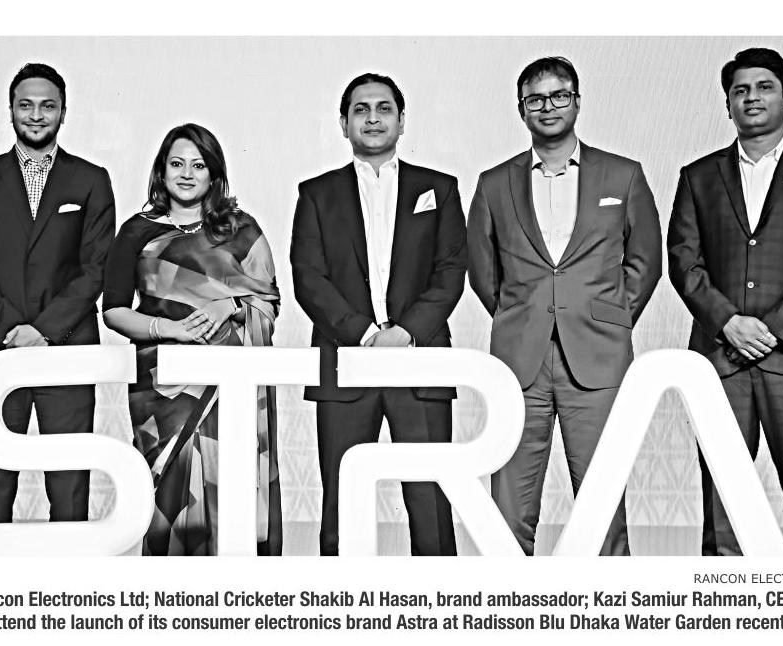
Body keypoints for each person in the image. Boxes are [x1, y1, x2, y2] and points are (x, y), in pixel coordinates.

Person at [467, 56, 662, 556]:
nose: (547, 107)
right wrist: (520, 315)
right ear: (521, 110)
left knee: (602, 505)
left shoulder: (623, 175)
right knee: (508, 511)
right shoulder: (493, 183)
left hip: (598, 358)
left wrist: (610, 319)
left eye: (559, 96)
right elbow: (483, 272)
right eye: (535, 99)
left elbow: (645, 263)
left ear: (577, 102)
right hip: (520, 361)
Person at [667, 48, 783, 556]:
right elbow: (683, 260)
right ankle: (724, 598)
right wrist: (728, 323)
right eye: (740, 90)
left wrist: (774, 328)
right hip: (721, 358)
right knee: (722, 500)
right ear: (727, 105)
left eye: (764, 87)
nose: (752, 98)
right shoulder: (699, 175)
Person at [290, 73, 466, 556]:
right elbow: (308, 277)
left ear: (402, 120)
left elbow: (451, 272)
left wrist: (405, 333)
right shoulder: (317, 193)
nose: (373, 118)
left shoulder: (440, 188)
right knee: (342, 504)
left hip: (420, 362)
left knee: (431, 504)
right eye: (361, 109)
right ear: (343, 123)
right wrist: (366, 335)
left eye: (384, 108)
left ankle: (443, 601)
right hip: (346, 363)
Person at [0, 63, 116, 525]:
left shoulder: (91, 179)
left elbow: (96, 269)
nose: (36, 115)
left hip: (67, 350)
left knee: (69, 486)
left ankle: (70, 572)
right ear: (10, 111)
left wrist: (42, 331)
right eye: (26, 105)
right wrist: (11, 330)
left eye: (47, 106)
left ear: (63, 112)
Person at [102, 123, 281, 556]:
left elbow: (267, 301)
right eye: (177, 164)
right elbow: (113, 310)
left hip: (230, 385)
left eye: (198, 165)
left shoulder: (241, 229)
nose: (186, 174)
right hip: (163, 388)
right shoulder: (136, 231)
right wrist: (170, 330)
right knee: (168, 498)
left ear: (213, 173)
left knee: (232, 488)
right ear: (161, 171)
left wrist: (230, 306)